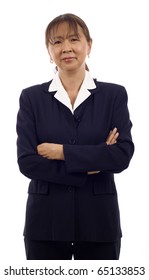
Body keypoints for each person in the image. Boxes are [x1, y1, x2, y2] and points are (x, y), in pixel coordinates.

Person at [16, 13, 134, 260]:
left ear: (88, 45)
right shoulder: (31, 98)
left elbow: (121, 156)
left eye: (73, 39)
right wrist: (93, 161)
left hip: (99, 224)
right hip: (44, 224)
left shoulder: (114, 96)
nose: (66, 48)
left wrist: (61, 153)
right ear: (48, 51)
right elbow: (27, 162)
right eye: (56, 42)